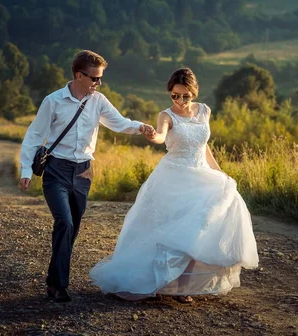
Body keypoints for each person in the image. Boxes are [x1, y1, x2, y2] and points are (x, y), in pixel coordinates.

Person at [90, 68, 259, 303]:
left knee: (195, 230)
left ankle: (182, 287)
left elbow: (203, 146)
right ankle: (158, 282)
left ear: (194, 93)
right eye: (175, 96)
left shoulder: (204, 111)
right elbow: (161, 137)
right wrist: (151, 135)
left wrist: (219, 173)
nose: (179, 101)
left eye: (185, 96)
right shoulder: (166, 115)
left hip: (200, 177)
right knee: (168, 231)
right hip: (173, 177)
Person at [19, 50, 155, 303]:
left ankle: (54, 279)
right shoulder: (53, 101)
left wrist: (140, 127)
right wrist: (26, 170)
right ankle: (58, 285)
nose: (98, 83)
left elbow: (118, 122)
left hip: (83, 172)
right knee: (65, 222)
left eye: (100, 78)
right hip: (56, 170)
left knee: (73, 229)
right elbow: (35, 136)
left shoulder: (98, 100)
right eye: (94, 78)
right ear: (79, 75)